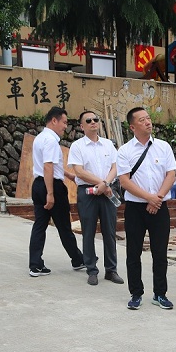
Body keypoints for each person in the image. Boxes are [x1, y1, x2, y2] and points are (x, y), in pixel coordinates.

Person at [117, 107, 176, 310]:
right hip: (135, 208)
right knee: (133, 252)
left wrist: (157, 199)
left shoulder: (163, 147)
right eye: (142, 120)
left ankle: (160, 293)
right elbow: (125, 181)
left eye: (148, 118)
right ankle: (136, 293)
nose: (148, 122)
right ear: (132, 127)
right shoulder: (125, 151)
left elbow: (171, 174)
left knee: (160, 253)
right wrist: (149, 198)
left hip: (160, 207)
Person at [68, 110, 124, 286]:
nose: (93, 122)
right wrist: (101, 184)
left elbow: (115, 167)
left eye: (95, 119)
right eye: (88, 120)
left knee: (109, 231)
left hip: (107, 191)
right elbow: (79, 171)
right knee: (88, 231)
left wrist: (105, 184)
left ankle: (111, 270)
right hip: (88, 193)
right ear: (81, 126)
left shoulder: (108, 144)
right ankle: (91, 269)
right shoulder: (77, 146)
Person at [28, 106, 85, 277]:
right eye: (64, 122)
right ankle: (77, 259)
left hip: (38, 184)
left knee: (39, 225)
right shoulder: (51, 140)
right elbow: (48, 166)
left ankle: (35, 264)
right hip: (51, 186)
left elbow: (51, 166)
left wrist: (68, 175)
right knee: (64, 226)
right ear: (54, 120)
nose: (65, 127)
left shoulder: (40, 138)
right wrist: (51, 193)